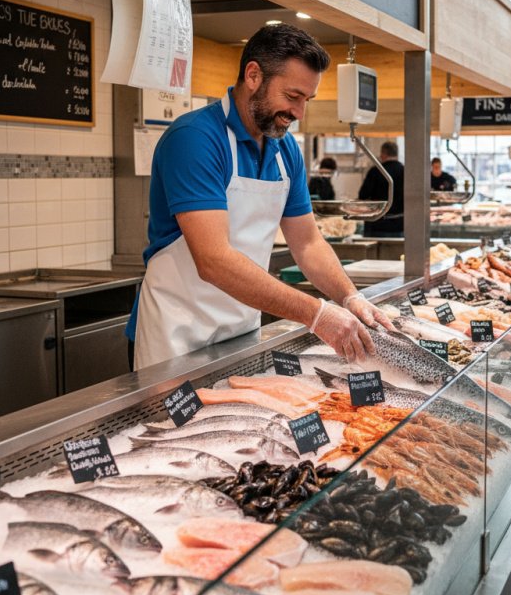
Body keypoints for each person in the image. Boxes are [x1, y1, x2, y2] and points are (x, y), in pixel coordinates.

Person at [126, 23, 391, 370]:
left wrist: (348, 295)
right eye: (293, 96)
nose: (299, 113)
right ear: (253, 75)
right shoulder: (195, 139)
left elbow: (308, 243)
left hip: (239, 332)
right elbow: (213, 261)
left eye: (306, 100)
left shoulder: (286, 152)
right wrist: (317, 314)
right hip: (175, 337)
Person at [359, 140, 405, 237]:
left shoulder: (375, 171)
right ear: (397, 154)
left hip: (377, 225)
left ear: (383, 153)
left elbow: (363, 195)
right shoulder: (405, 171)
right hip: (400, 225)